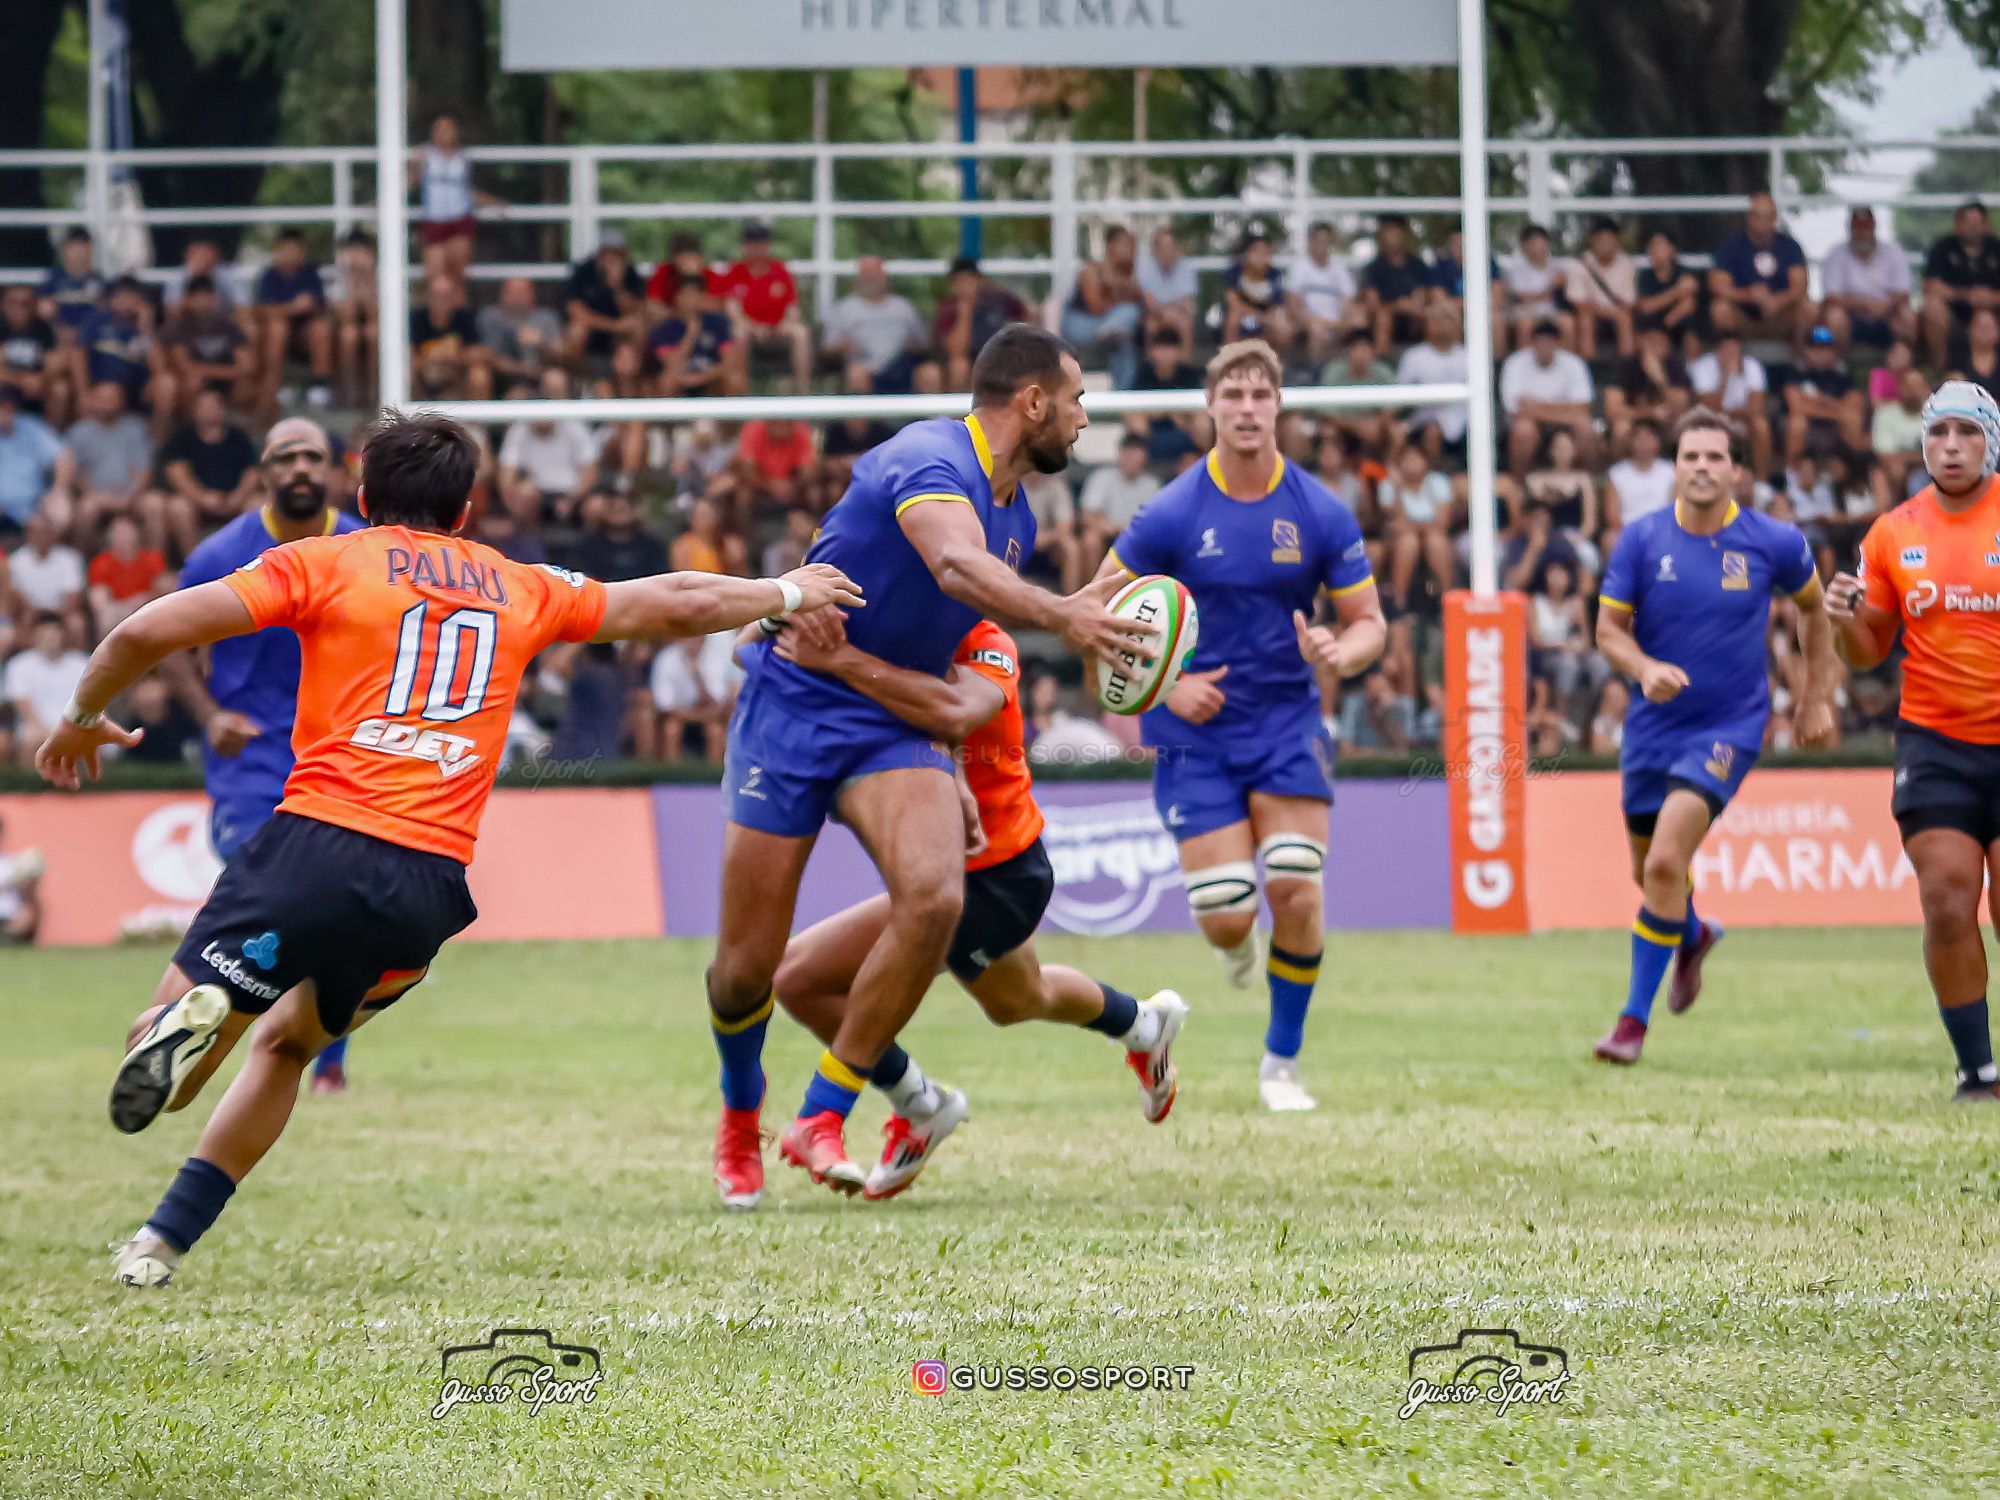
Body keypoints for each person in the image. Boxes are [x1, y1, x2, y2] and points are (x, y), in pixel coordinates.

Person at [37, 410, 863, 1288]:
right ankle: (161, 1243)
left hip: (315, 841)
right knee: (287, 1048)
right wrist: (784, 591)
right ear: (467, 508)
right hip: (426, 887)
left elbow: (141, 633)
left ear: (360, 499)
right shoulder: (520, 584)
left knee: (176, 1040)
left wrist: (83, 719)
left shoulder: (325, 559)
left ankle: (188, 1021)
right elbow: (675, 601)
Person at [702, 325, 1150, 1206]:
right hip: (793, 700)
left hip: (884, 715)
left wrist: (946, 761)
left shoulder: (1016, 511)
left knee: (939, 895)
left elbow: (941, 642)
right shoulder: (930, 455)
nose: (1084, 418)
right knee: (746, 972)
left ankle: (823, 1113)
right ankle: (738, 1117)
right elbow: (951, 565)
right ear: (1032, 402)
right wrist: (1066, 617)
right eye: (1078, 399)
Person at [767, 620, 1189, 1201]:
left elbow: (956, 712)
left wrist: (836, 659)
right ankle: (1143, 1023)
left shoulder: (986, 640)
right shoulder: (891, 630)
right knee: (1019, 999)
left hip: (994, 876)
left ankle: (910, 1106)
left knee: (800, 978)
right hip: (949, 871)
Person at [1097, 340, 1387, 1112]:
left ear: (1279, 406)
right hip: (1193, 736)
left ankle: (1281, 1065)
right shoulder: (1172, 510)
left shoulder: (1319, 509)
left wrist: (1340, 649)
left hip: (1288, 722)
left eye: (1263, 394)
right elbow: (1094, 609)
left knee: (1294, 883)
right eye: (1236, 395)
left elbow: (1369, 624)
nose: (1250, 408)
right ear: (1211, 406)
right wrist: (1169, 682)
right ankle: (1237, 947)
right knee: (1227, 915)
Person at [1590, 409, 1837, 1065]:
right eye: (1690, 456)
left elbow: (1816, 611)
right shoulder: (1641, 540)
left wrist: (1815, 699)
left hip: (1728, 726)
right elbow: (1607, 631)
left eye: (1714, 457)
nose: (1701, 467)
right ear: (1676, 467)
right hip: (1651, 728)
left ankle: (1630, 1026)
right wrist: (1643, 668)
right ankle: (1693, 934)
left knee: (1668, 861)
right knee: (1647, 873)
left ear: (1737, 471)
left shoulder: (1774, 542)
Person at [159, 420, 367, 1091]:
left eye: (312, 456)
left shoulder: (365, 547)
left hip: (340, 755)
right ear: (264, 472)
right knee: (271, 893)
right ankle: (208, 1007)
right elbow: (170, 644)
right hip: (250, 761)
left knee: (338, 907)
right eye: (285, 457)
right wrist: (210, 714)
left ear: (333, 469)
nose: (300, 467)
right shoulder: (221, 552)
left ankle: (323, 1056)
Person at [1824, 381, 2000, 1102]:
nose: (1950, 447)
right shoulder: (1891, 533)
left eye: (1966, 432)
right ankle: (1978, 1071)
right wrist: (1844, 618)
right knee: (1949, 899)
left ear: (1991, 442)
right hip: (1935, 745)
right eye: (1938, 433)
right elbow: (1868, 652)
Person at [713, 223, 812, 397]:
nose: (757, 250)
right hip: (750, 330)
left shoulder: (780, 270)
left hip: (779, 328)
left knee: (801, 333)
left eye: (761, 245)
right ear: (745, 246)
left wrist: (784, 324)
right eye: (753, 245)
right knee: (739, 333)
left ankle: (802, 394)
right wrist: (754, 327)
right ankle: (741, 394)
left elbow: (792, 308)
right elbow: (732, 310)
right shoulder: (736, 272)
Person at [1707, 191, 1811, 351]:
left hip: (1780, 318)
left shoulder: (1790, 246)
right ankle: (1732, 363)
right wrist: (1749, 295)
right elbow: (1717, 285)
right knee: (1719, 309)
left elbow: (1800, 287)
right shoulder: (1731, 245)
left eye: (1768, 217)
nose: (1762, 222)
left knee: (1808, 308)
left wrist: (1777, 301)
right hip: (1743, 318)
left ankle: (1798, 365)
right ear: (1749, 217)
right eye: (1757, 216)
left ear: (1774, 218)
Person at [821, 256, 938, 396]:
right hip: (865, 368)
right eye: (866, 272)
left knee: (930, 372)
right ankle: (858, 417)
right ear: (857, 277)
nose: (871, 277)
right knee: (856, 373)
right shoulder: (842, 309)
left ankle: (939, 418)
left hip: (902, 368)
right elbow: (828, 349)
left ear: (884, 277)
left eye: (875, 272)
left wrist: (913, 347)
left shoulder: (903, 307)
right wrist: (844, 347)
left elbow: (924, 344)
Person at [252, 229, 334, 418]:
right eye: (286, 250)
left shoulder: (310, 274)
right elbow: (264, 310)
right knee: (278, 329)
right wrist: (292, 308)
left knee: (320, 328)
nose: (290, 255)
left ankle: (319, 387)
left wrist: (306, 306)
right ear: (277, 251)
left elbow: (318, 306)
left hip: (306, 329)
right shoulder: (269, 276)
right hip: (278, 331)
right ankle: (280, 385)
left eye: (295, 250)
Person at [1500, 319, 1596, 479]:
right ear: (1531, 342)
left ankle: (1591, 482)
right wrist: (1564, 409)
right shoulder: (1515, 363)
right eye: (1539, 341)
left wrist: (1534, 407)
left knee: (1585, 426)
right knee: (1523, 430)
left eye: (1549, 341)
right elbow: (1515, 410)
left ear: (1558, 343)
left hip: (1565, 424)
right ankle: (1518, 486)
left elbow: (1583, 407)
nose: (1544, 345)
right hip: (1535, 424)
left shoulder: (1574, 363)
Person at [409, 113, 495, 286]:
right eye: (440, 128)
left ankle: (457, 312)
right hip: (434, 219)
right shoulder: (424, 156)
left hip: (459, 218)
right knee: (434, 275)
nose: (445, 132)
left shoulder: (464, 158)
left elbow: (467, 190)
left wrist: (495, 203)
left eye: (448, 128)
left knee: (458, 276)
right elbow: (410, 181)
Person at [1819, 207, 1916, 355]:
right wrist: (1863, 305)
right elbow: (1831, 296)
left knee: (1907, 316)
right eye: (1857, 227)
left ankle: (1904, 363)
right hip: (1851, 316)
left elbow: (1904, 293)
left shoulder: (1894, 252)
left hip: (1887, 314)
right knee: (1834, 316)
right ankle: (1841, 367)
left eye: (1866, 226)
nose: (1862, 232)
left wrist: (1885, 306)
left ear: (1874, 226)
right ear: (1850, 228)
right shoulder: (1836, 254)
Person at [1060, 226, 1145, 390]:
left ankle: (1122, 398)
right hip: (1082, 325)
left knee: (1123, 339)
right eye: (1126, 244)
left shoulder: (1132, 275)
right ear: (1111, 246)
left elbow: (1141, 307)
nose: (1132, 249)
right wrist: (1119, 296)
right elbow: (1095, 306)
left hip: (1113, 329)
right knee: (1126, 314)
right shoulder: (1092, 270)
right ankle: (1110, 331)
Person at [1921, 200, 2000, 369]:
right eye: (1968, 222)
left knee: (1985, 318)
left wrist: (1991, 298)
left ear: (1985, 224)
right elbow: (1930, 286)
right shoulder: (1943, 248)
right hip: (1954, 315)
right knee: (1932, 307)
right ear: (1958, 224)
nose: (1973, 227)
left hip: (1993, 313)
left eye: (1978, 223)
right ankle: (1941, 370)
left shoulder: (1996, 248)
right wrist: (1965, 295)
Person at [933, 259, 1030, 392]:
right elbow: (956, 351)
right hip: (966, 365)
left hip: (997, 359)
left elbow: (1026, 320)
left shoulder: (998, 300)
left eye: (969, 280)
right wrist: (965, 312)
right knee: (959, 367)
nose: (965, 286)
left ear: (978, 281)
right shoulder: (948, 308)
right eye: (959, 281)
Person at [1689, 332, 1774, 479]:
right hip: (1711, 419)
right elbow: (1708, 407)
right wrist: (1725, 376)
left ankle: (1761, 478)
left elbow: (1756, 407)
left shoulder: (1751, 365)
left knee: (1761, 426)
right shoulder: (1703, 366)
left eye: (1735, 352)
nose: (1731, 356)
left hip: (1742, 420)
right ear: (1718, 352)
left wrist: (1731, 414)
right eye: (1727, 352)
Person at [1605, 322, 1693, 453]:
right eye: (1651, 341)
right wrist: (1650, 412)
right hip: (1635, 420)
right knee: (1621, 427)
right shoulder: (1624, 366)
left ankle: (1678, 469)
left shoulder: (1675, 367)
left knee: (1683, 427)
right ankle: (1622, 470)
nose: (1656, 346)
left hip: (1665, 423)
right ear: (1640, 342)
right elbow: (1613, 410)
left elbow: (1681, 406)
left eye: (1661, 342)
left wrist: (1660, 380)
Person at [1291, 223, 1366, 367]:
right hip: (1311, 321)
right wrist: (1322, 322)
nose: (1322, 245)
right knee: (1317, 329)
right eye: (1318, 240)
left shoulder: (1339, 269)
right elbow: (1294, 305)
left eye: (1326, 241)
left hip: (1337, 321)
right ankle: (1316, 372)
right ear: (1311, 242)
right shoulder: (1299, 268)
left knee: (1360, 320)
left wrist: (1343, 321)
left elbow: (1349, 300)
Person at [1, 281, 72, 432]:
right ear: (3, 304)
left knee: (61, 389)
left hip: (37, 384)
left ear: (33, 305)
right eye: (13, 302)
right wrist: (20, 380)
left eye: (25, 303)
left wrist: (42, 379)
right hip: (6, 382)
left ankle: (50, 441)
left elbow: (58, 361)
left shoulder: (42, 327)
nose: (19, 307)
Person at [1565, 217, 1637, 359]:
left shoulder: (1627, 265)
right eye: (1600, 239)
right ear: (1592, 241)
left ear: (1617, 241)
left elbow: (1628, 303)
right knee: (1586, 320)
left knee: (1625, 319)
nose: (1605, 244)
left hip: (1617, 314)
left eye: (1609, 239)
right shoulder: (1579, 265)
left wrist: (1614, 312)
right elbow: (1579, 304)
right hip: (1592, 315)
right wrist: (1607, 312)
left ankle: (1626, 368)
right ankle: (1591, 368)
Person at [1501, 224, 1573, 353]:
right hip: (1526, 312)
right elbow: (1523, 299)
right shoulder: (1516, 271)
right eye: (1533, 244)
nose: (1538, 248)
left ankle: (1564, 363)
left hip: (1552, 312)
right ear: (1524, 246)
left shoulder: (1558, 268)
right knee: (1525, 325)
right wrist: (1550, 288)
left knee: (1567, 323)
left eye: (1541, 243)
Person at [1362, 215, 1428, 351]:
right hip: (1389, 317)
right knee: (1383, 317)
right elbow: (1372, 304)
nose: (1393, 237)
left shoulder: (1416, 265)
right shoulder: (1374, 268)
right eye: (1389, 233)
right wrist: (1397, 305)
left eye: (1397, 233)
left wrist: (1415, 306)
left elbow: (1422, 294)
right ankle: (1382, 363)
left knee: (1438, 315)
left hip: (1415, 315)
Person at [1223, 231, 1291, 351]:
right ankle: (1228, 359)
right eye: (1257, 252)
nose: (1262, 256)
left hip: (1266, 316)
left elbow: (1277, 304)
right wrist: (1262, 317)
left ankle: (1274, 362)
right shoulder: (1234, 272)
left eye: (1266, 252)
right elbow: (1233, 303)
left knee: (1282, 325)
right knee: (1233, 319)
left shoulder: (1274, 274)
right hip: (1244, 314)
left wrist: (1273, 320)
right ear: (1247, 253)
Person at [1606, 418, 1676, 528]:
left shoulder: (1670, 471)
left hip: (1662, 528)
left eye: (1648, 437)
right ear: (1630, 442)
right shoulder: (1617, 473)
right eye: (1639, 438)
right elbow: (1612, 515)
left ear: (1657, 442)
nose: (1644, 442)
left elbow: (1675, 507)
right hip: (1627, 529)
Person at [1137, 226, 1199, 345]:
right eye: (1162, 247)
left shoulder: (1187, 268)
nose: (1167, 251)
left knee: (1185, 324)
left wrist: (1168, 310)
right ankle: (1151, 364)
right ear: (1155, 249)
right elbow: (1149, 304)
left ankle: (1184, 364)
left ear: (1178, 249)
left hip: (1179, 315)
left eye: (1171, 246)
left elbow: (1189, 304)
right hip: (1154, 316)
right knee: (1150, 326)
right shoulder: (1144, 267)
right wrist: (1167, 311)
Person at [1632, 230, 1700, 338]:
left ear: (1673, 250)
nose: (1654, 250)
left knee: (1690, 333)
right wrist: (1677, 291)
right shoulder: (1645, 276)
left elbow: (1688, 305)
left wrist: (1666, 322)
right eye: (1651, 245)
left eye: (1659, 245)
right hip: (1652, 327)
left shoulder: (1684, 273)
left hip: (1678, 326)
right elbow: (1645, 307)